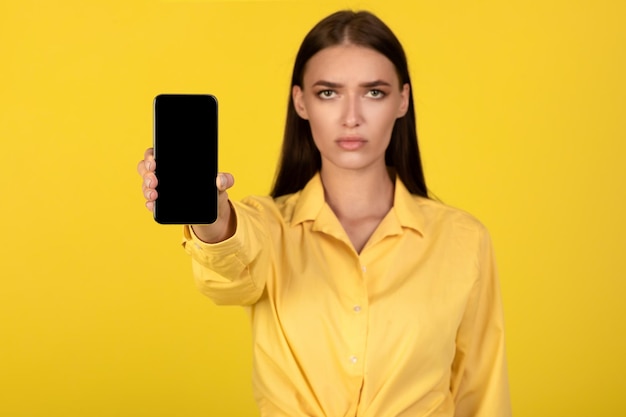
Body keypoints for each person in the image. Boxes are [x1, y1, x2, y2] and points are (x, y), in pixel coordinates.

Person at [138, 10, 511, 417]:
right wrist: (209, 214)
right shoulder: (270, 225)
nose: (351, 117)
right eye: (328, 93)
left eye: (374, 92)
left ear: (402, 100)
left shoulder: (462, 239)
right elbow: (230, 272)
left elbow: (482, 391)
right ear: (301, 101)